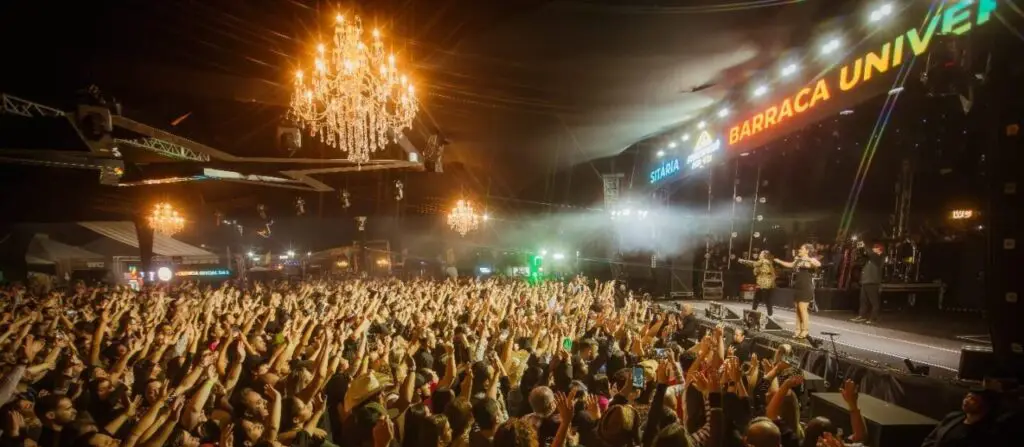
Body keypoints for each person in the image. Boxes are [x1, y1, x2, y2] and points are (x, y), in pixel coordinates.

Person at [921, 388, 1003, 447]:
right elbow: (931, 438)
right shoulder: (952, 417)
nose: (966, 401)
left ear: (986, 406)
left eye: (973, 399)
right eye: (967, 397)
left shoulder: (988, 432)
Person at [774, 244, 821, 339]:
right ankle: (797, 329)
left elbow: (818, 264)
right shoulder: (798, 260)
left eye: (801, 249)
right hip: (798, 287)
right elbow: (790, 265)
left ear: (807, 250)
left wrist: (807, 259)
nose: (799, 250)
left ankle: (805, 330)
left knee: (803, 309)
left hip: (806, 287)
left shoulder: (811, 260)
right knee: (798, 310)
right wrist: (779, 261)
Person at [851, 242, 884, 324]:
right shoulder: (869, 259)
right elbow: (860, 261)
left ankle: (874, 318)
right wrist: (860, 250)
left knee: (874, 302)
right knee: (863, 301)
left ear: (879, 250)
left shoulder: (878, 258)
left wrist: (864, 246)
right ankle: (862, 316)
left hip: (872, 282)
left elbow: (871, 254)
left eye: (875, 248)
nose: (873, 249)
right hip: (865, 282)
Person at [738, 250, 777, 316]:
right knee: (763, 299)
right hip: (768, 283)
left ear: (764, 255)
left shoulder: (763, 261)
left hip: (764, 283)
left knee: (759, 299)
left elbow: (753, 264)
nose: (760, 254)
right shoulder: (769, 262)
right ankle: (768, 314)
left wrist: (743, 261)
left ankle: (755, 313)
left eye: (761, 253)